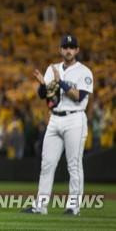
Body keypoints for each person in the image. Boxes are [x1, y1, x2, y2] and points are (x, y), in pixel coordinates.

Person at [22, 35, 94, 216]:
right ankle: (41, 205)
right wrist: (43, 85)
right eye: (65, 47)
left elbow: (79, 96)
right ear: (60, 50)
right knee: (47, 164)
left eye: (72, 47)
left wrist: (59, 81)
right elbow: (45, 96)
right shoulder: (51, 69)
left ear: (77, 50)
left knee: (74, 165)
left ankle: (73, 206)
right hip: (54, 119)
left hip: (75, 119)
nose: (68, 50)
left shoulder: (84, 71)